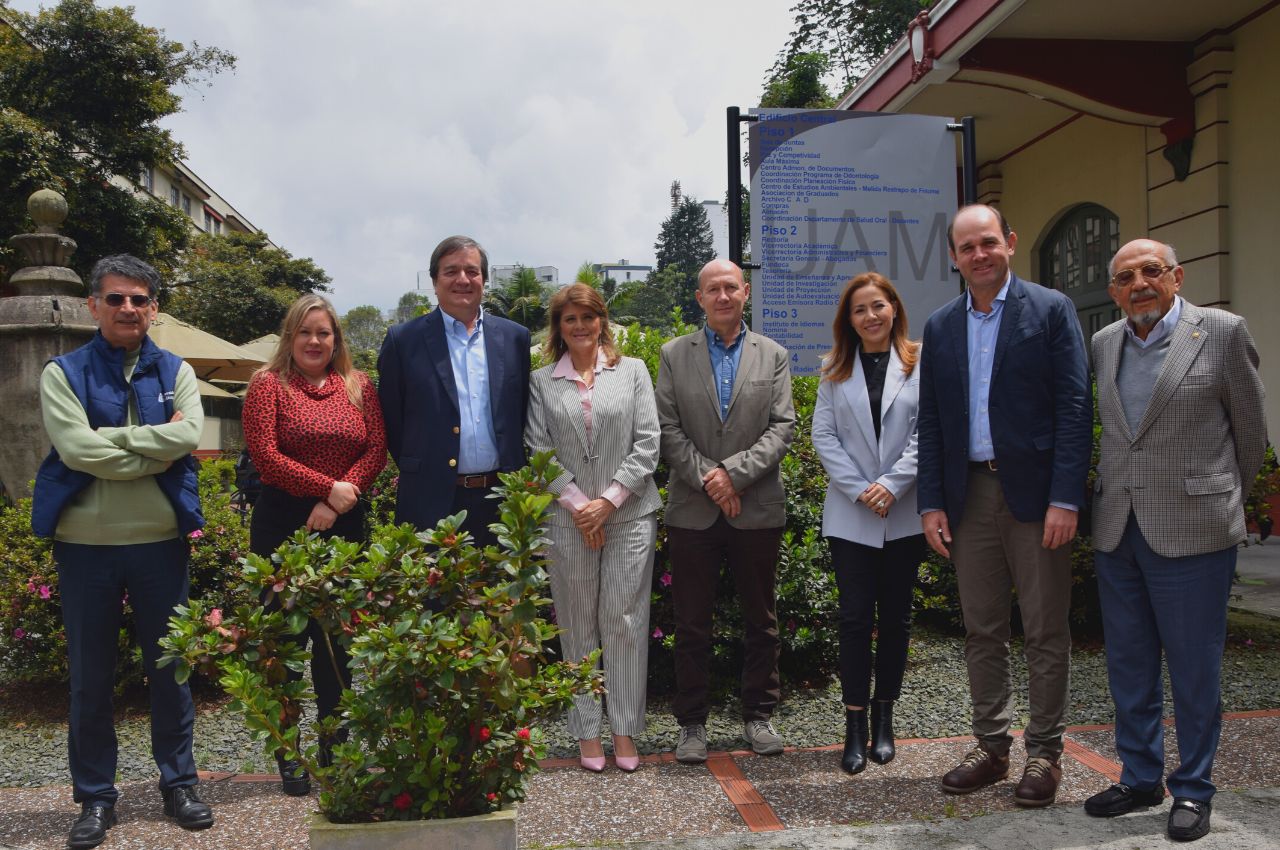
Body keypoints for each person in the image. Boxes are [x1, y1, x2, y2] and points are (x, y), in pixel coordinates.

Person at [1084, 239, 1266, 842]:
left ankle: (1193, 789)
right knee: (1129, 666)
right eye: (1124, 276)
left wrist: (1214, 495)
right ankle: (1139, 777)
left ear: (1176, 277)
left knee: (1193, 671)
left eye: (1151, 271)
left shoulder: (1221, 331)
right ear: (1113, 291)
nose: (1138, 282)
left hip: (1195, 530)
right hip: (1118, 530)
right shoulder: (1105, 342)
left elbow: (1251, 433)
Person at [32, 254, 213, 848]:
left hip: (160, 545)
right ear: (94, 305)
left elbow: (189, 437)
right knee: (89, 678)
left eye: (139, 299)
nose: (128, 309)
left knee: (171, 672)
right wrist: (152, 449)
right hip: (86, 546)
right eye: (115, 299)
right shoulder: (63, 371)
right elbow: (75, 449)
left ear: (153, 307)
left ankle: (179, 784)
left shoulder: (176, 369)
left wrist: (114, 440)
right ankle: (95, 798)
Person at [917, 204, 1091, 807]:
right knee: (981, 628)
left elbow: (1074, 408)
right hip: (969, 496)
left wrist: (1065, 496)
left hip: (1037, 496)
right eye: (967, 248)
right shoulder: (940, 326)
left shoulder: (1049, 310)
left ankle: (1044, 752)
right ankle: (991, 746)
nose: (979, 255)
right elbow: (935, 420)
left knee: (1045, 628)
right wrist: (931, 502)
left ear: (1010, 243)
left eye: (988, 242)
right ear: (954, 257)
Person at [241, 294, 387, 796]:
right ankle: (289, 752)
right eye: (305, 332)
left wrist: (338, 500)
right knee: (283, 643)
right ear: (290, 337)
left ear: (336, 339)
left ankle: (335, 744)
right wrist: (325, 489)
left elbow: (376, 448)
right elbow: (265, 455)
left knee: (337, 645)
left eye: (324, 332)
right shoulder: (268, 385)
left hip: (345, 524)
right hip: (282, 524)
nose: (315, 341)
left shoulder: (358, 385)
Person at [656, 259, 796, 764]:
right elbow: (666, 429)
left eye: (730, 287)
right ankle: (692, 724)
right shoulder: (673, 354)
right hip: (693, 511)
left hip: (756, 507)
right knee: (692, 622)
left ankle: (759, 716)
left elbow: (782, 427)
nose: (722, 296)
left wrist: (731, 475)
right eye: (712, 289)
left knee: (761, 620)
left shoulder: (774, 355)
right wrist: (710, 480)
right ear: (699, 298)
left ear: (746, 292)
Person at [525, 283, 662, 773]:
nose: (579, 326)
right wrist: (583, 507)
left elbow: (648, 442)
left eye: (587, 317)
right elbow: (537, 451)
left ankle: (624, 729)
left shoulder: (633, 372)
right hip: (566, 520)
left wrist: (607, 502)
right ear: (558, 328)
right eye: (569, 319)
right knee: (576, 623)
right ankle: (586, 730)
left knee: (624, 622)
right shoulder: (542, 381)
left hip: (628, 516)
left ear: (602, 320)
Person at [811, 273, 924, 775]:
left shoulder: (922, 362)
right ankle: (853, 725)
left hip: (903, 512)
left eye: (878, 306)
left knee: (896, 619)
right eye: (860, 310)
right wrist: (862, 488)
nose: (871, 316)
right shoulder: (834, 368)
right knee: (855, 619)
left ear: (894, 309)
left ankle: (885, 719)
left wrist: (892, 484)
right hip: (851, 515)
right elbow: (823, 437)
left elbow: (930, 432)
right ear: (849, 320)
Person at [377, 235, 530, 545]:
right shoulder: (403, 341)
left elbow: (522, 410)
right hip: (429, 502)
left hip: (501, 501)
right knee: (433, 594)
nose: (463, 279)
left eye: (472, 271)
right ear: (434, 281)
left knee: (500, 592)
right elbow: (391, 422)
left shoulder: (515, 338)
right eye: (451, 271)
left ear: (484, 280)